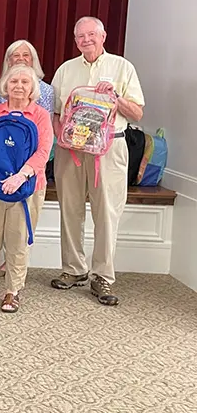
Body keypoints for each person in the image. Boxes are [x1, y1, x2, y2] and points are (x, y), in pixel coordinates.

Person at [50, 16, 144, 306]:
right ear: (75, 40)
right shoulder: (66, 70)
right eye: (80, 36)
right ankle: (74, 270)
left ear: (103, 36)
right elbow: (54, 112)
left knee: (107, 213)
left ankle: (103, 276)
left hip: (110, 149)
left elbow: (138, 113)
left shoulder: (122, 67)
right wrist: (63, 139)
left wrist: (115, 98)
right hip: (71, 152)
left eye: (91, 34)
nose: (86, 40)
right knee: (70, 210)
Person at [0, 64, 53, 312]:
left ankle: (13, 290)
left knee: (17, 240)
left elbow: (43, 152)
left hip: (27, 187)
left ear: (32, 88)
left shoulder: (40, 115)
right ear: (6, 85)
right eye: (14, 81)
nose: (18, 86)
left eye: (24, 82)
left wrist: (20, 177)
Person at [0, 40, 54, 115]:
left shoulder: (46, 90)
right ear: (9, 61)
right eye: (16, 55)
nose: (21, 58)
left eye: (26, 55)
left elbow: (48, 121)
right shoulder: (3, 87)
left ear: (32, 60)